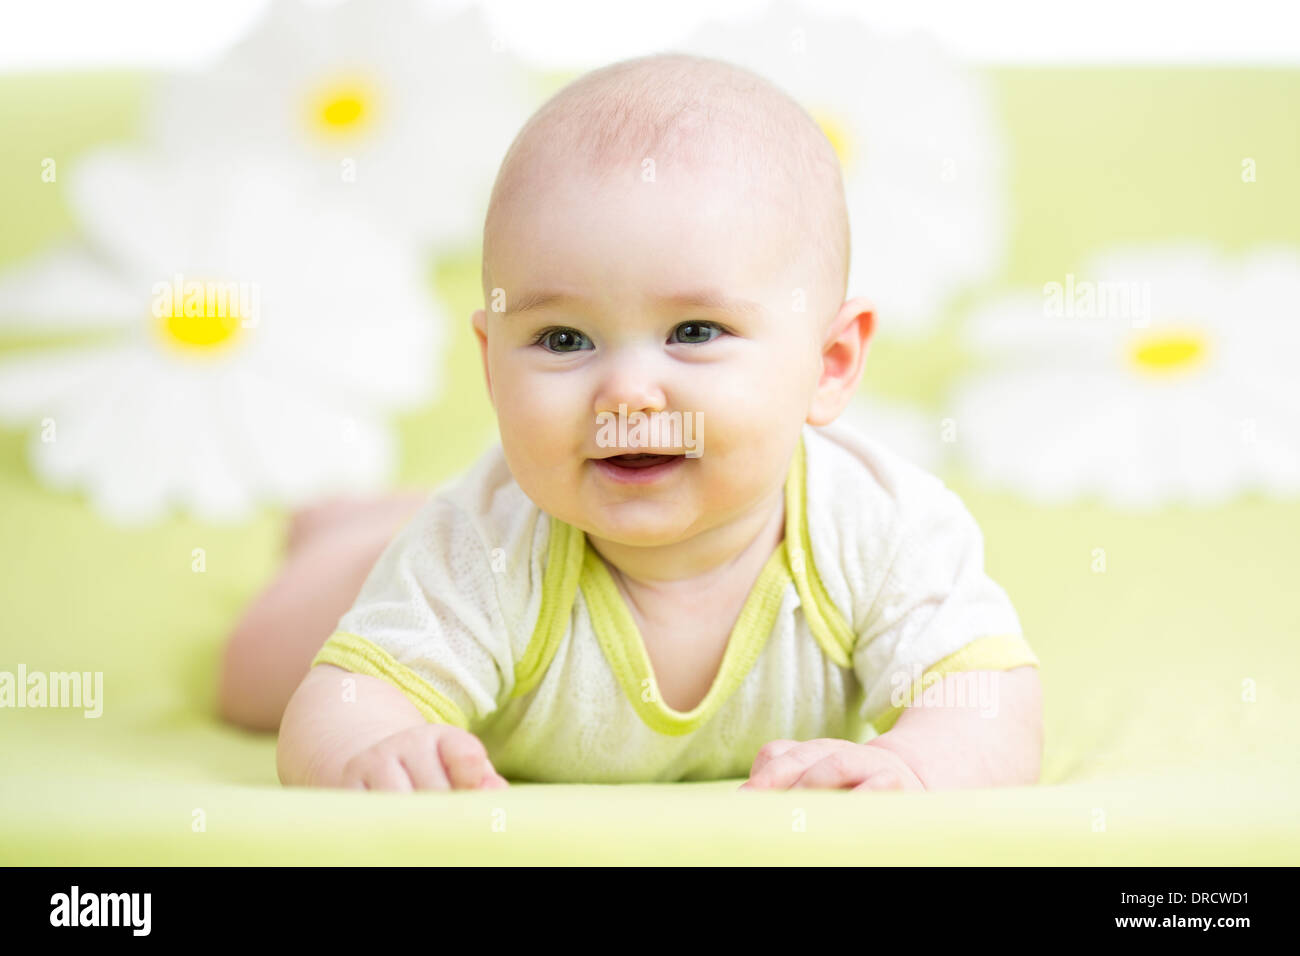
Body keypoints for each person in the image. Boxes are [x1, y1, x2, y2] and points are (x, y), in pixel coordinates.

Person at [254, 52, 1042, 791]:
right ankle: (357, 533)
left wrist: (913, 766)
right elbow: (338, 708)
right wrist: (377, 748)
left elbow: (986, 700)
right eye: (564, 340)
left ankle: (387, 512)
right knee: (249, 675)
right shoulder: (480, 551)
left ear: (828, 363)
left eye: (694, 333)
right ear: (493, 366)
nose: (628, 395)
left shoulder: (878, 528)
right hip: (443, 544)